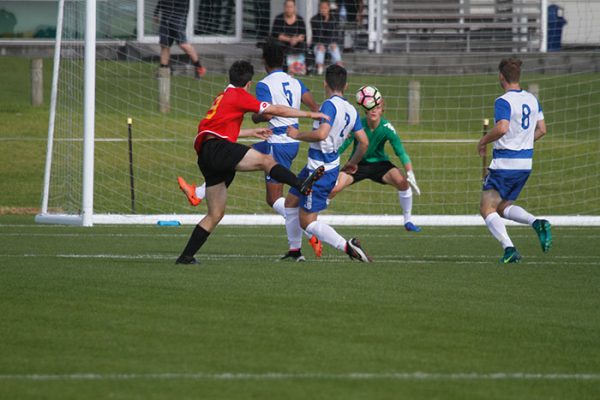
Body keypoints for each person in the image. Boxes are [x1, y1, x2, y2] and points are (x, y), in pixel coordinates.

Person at [177, 39, 323, 257]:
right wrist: (309, 114)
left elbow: (215, 129)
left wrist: (249, 132)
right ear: (248, 83)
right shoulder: (240, 95)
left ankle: (186, 257)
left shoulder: (222, 96)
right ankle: (300, 184)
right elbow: (275, 110)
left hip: (207, 153)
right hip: (221, 149)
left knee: (215, 213)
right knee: (266, 161)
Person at [282, 64, 371, 262]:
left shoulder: (328, 105)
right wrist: (352, 162)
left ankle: (349, 246)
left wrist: (297, 134)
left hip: (320, 172)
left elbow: (322, 134)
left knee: (307, 222)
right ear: (346, 86)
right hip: (319, 166)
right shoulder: (352, 110)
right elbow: (364, 142)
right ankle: (294, 251)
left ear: (325, 84)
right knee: (291, 202)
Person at [478, 58, 552, 264]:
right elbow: (542, 130)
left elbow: (502, 127)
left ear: (501, 76)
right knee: (502, 207)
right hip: (524, 164)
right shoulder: (532, 99)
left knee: (486, 208)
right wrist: (523, 141)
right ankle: (536, 222)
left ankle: (509, 249)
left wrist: (483, 141)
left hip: (505, 164)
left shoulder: (503, 101)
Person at [329, 95, 422, 232]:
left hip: (380, 164)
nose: (374, 111)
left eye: (377, 108)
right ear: (366, 110)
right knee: (333, 188)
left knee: (402, 182)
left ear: (382, 111)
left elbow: (400, 151)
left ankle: (408, 220)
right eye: (371, 108)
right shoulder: (357, 125)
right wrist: (329, 160)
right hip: (356, 164)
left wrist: (410, 172)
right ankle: (312, 218)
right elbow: (343, 146)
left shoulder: (387, 128)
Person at [154, 0, 206, 78]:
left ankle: (199, 67)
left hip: (178, 18)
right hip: (165, 19)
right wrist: (156, 13)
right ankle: (163, 70)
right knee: (165, 45)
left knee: (183, 44)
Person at [271, 0, 307, 74]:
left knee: (302, 45)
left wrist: (295, 40)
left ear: (294, 8)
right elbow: (275, 35)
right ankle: (281, 68)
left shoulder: (300, 19)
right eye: (287, 7)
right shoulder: (279, 19)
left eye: (291, 7)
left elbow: (303, 36)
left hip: (297, 44)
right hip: (282, 44)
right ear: (284, 8)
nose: (289, 9)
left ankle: (298, 68)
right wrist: (290, 39)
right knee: (276, 45)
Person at [310, 0, 343, 75]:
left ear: (329, 8)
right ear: (319, 8)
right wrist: (322, 45)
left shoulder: (334, 19)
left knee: (335, 49)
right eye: (321, 8)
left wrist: (332, 44)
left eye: (325, 8)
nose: (323, 10)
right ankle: (320, 69)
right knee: (320, 49)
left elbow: (334, 34)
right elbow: (317, 36)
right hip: (318, 44)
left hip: (330, 43)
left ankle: (339, 68)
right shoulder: (314, 20)